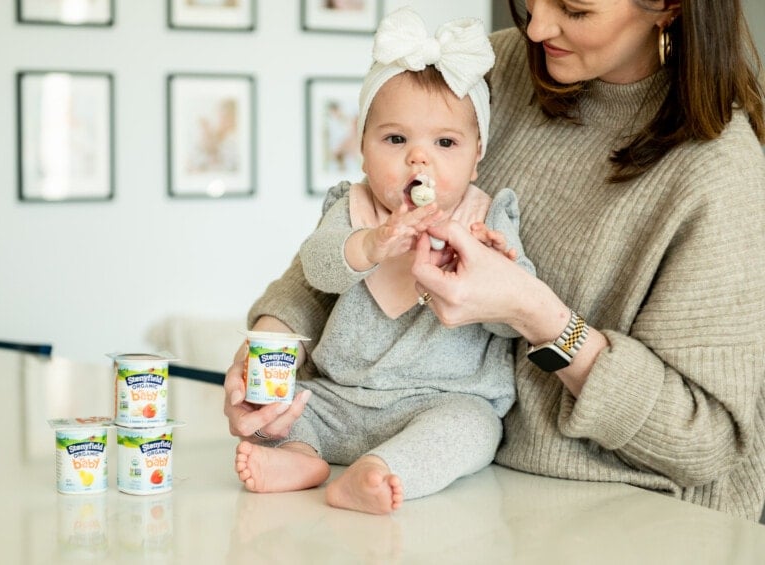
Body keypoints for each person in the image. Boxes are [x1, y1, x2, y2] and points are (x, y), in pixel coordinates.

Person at [225, 0, 765, 522]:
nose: (536, 28)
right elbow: (342, 241)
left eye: (574, 9)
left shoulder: (721, 174)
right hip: (469, 495)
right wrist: (269, 348)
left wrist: (534, 314)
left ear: (668, 6)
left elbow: (705, 442)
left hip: (618, 511)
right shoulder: (486, 70)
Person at [233, 7, 536, 515]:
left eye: (445, 142)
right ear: (363, 149)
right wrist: (370, 244)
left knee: (474, 430)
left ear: (477, 152)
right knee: (282, 413)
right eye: (396, 140)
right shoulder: (351, 208)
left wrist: (499, 275)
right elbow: (318, 269)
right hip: (339, 396)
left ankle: (380, 471)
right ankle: (301, 459)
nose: (420, 159)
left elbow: (516, 326)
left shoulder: (487, 217)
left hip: (440, 400)